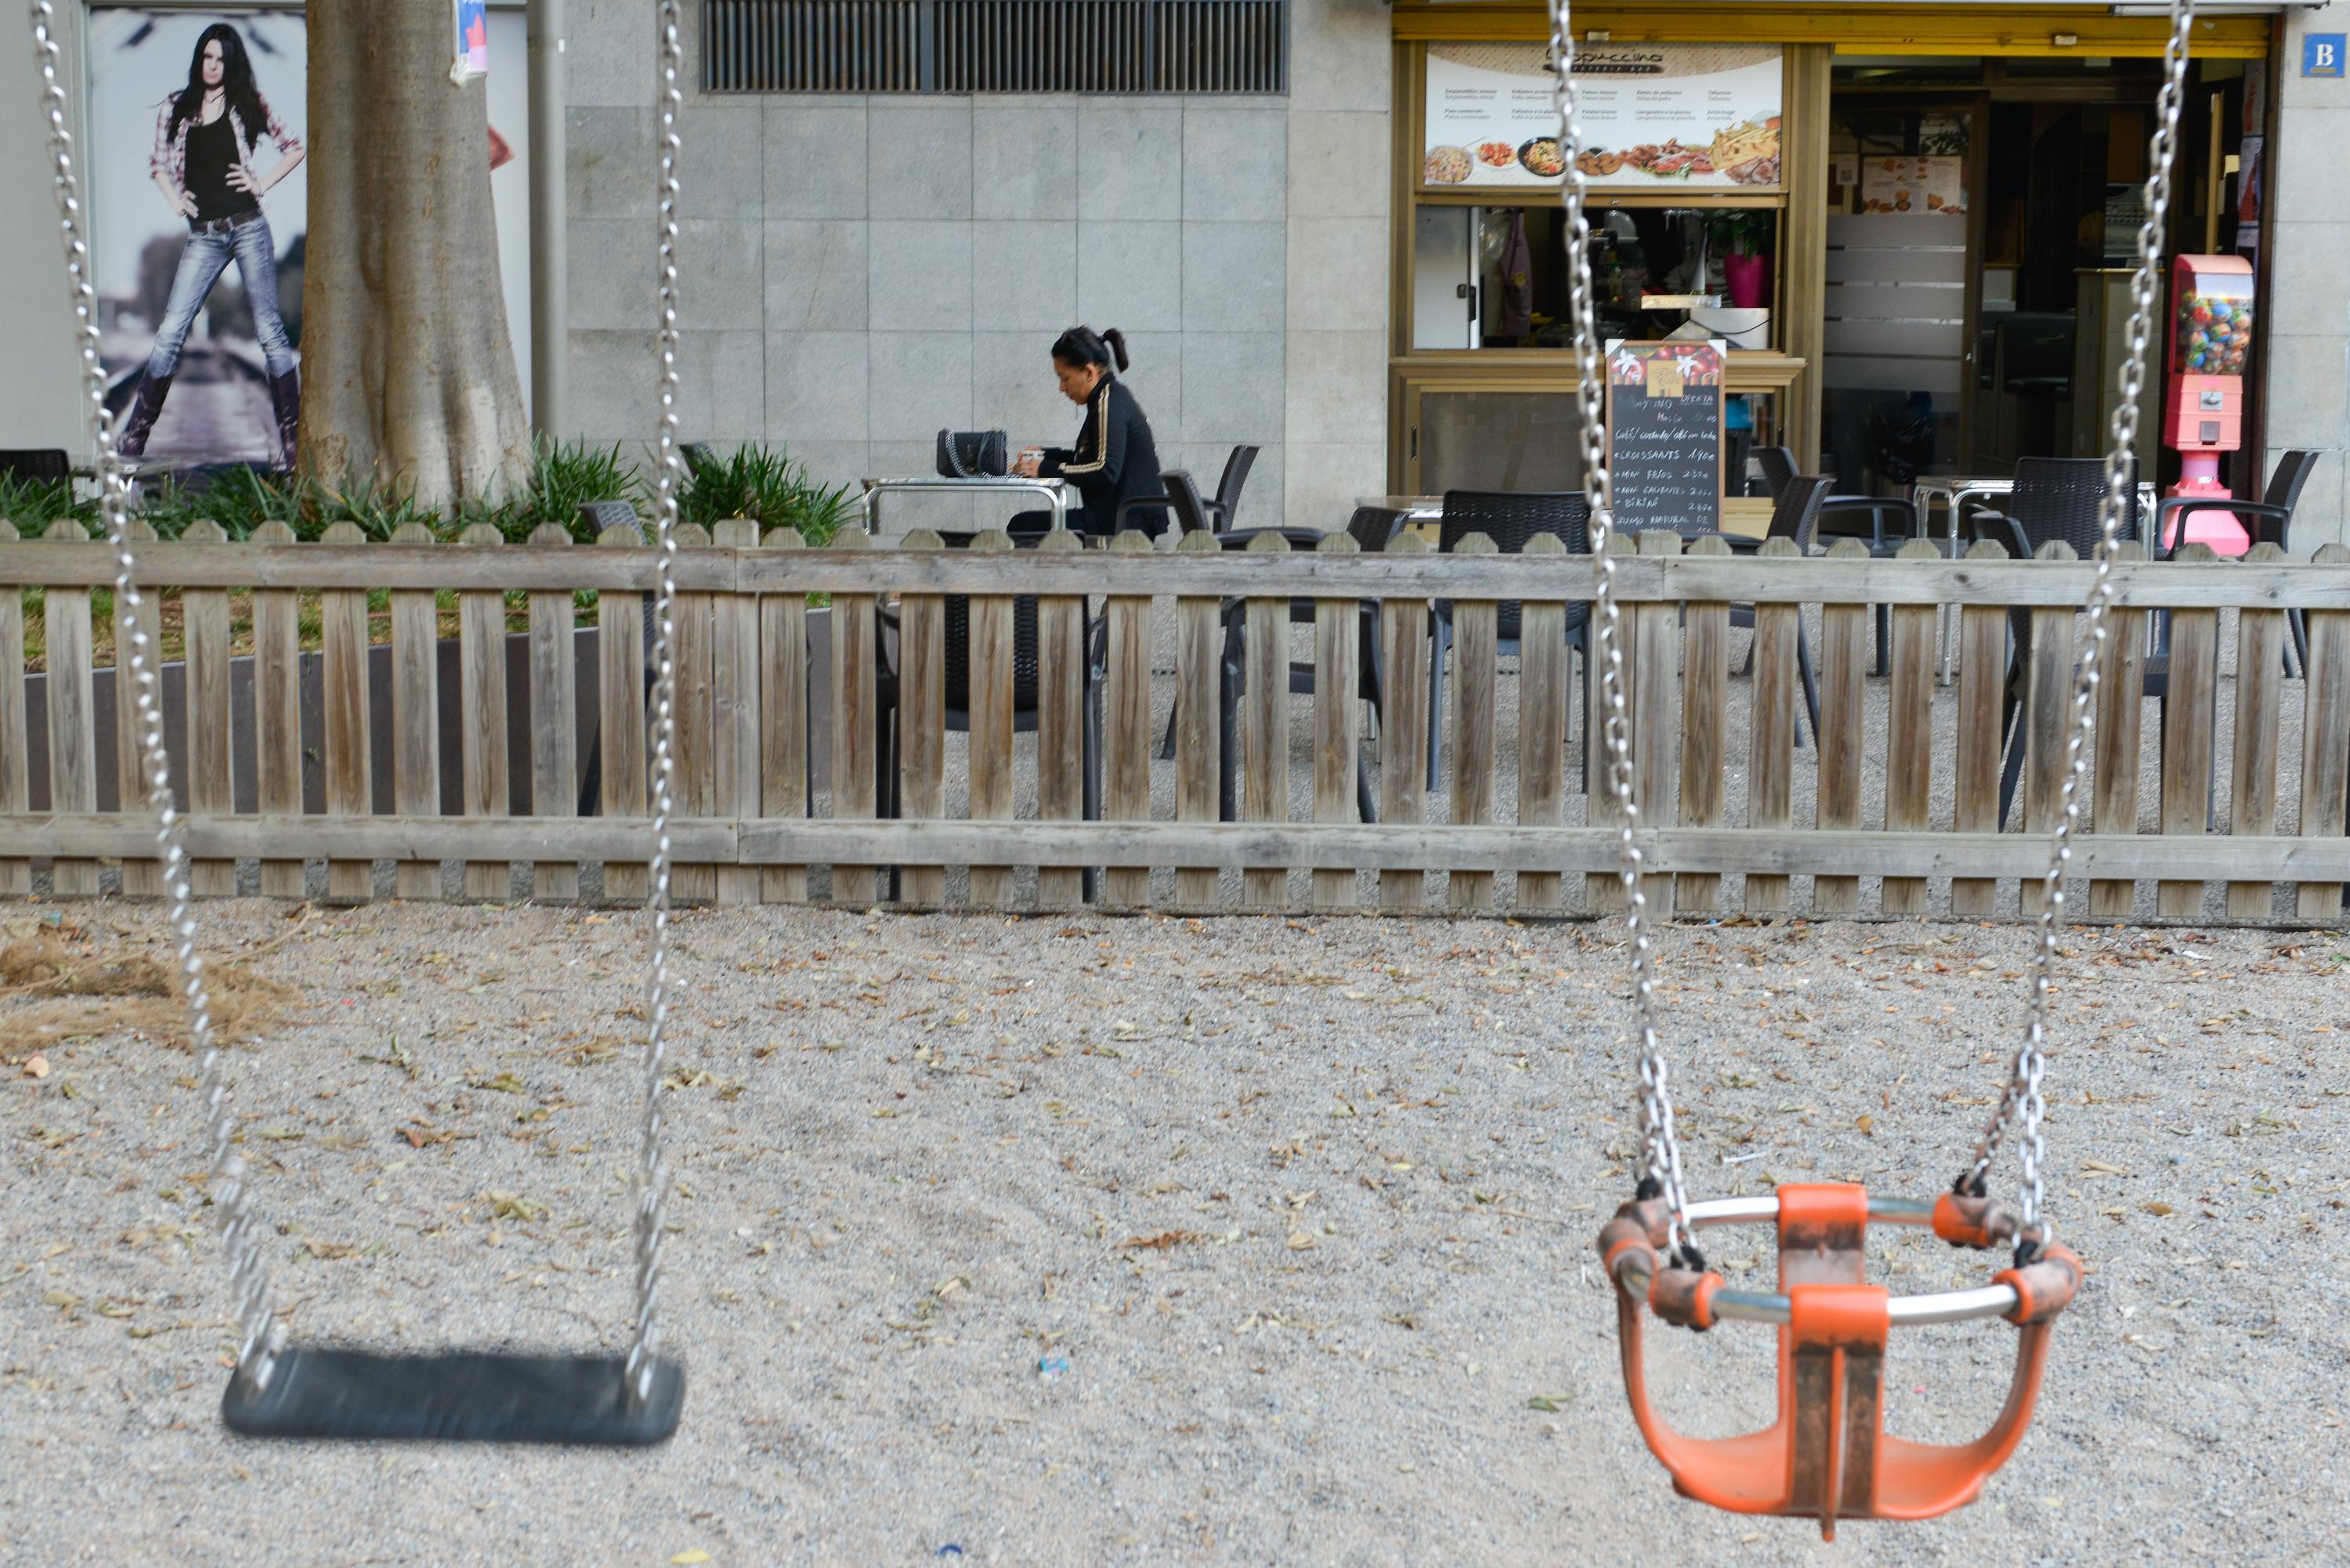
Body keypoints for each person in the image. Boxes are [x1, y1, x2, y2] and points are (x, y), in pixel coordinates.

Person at [118, 23, 305, 466]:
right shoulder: (176, 107)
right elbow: (157, 164)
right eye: (206, 56)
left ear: (232, 62)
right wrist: (176, 199)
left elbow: (294, 146)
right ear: (198, 59)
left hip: (248, 227)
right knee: (170, 333)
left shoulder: (247, 103)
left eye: (220, 58)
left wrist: (261, 182)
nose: (213, 65)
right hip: (203, 236)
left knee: (271, 334)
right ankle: (133, 438)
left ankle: (292, 443)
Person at [1010, 327, 1165, 538]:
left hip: (1121, 524)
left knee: (1021, 526)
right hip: (1120, 517)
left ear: (1090, 373)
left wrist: (1045, 468)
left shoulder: (1108, 403)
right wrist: (1045, 455)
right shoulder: (1110, 397)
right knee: (1024, 524)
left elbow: (1105, 469)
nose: (1061, 388)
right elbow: (1088, 458)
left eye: (1064, 378)